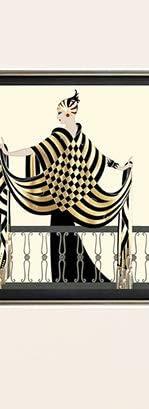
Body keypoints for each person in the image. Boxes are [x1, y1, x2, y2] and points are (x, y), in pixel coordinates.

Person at [0, 89, 132, 286]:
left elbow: (99, 158)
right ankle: (65, 278)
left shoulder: (76, 139)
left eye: (60, 113)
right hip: (63, 197)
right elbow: (38, 150)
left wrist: (120, 166)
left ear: (69, 113)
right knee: (65, 237)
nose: (58, 116)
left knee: (63, 236)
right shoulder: (64, 137)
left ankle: (66, 279)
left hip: (68, 199)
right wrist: (8, 154)